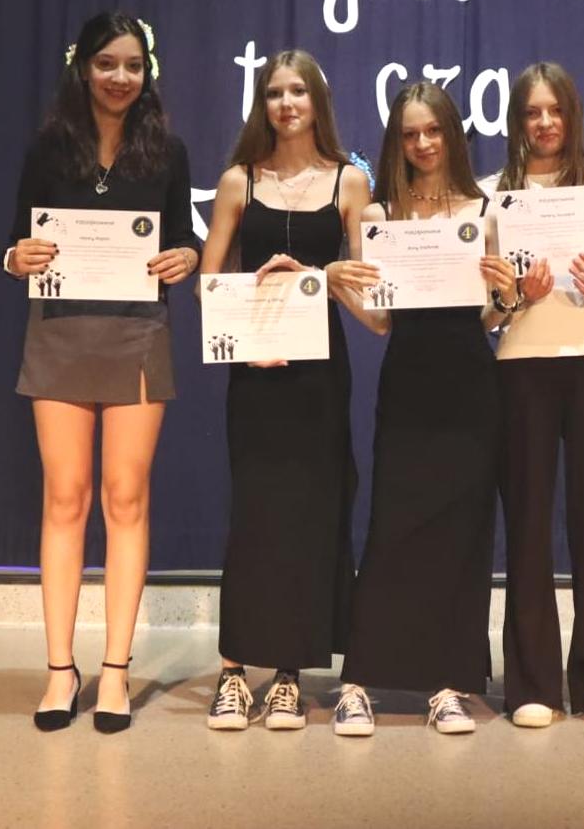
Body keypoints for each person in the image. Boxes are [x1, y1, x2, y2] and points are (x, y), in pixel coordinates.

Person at [3, 11, 199, 733]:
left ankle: (115, 669)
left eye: (133, 65)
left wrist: (185, 256)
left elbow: (182, 238)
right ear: (82, 67)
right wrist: (14, 258)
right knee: (65, 498)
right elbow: (16, 241)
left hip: (137, 332)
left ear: (148, 73)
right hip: (59, 330)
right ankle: (61, 669)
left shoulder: (167, 151)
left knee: (125, 497)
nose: (121, 77)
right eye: (107, 63)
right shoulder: (48, 146)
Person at [330, 82, 516, 737]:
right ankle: (358, 682)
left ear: (450, 133)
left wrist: (508, 296)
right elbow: (381, 321)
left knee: (462, 535)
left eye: (432, 130)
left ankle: (447, 684)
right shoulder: (379, 215)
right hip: (408, 380)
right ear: (397, 142)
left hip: (470, 385)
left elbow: (490, 316)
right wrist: (336, 283)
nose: (423, 143)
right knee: (392, 527)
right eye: (410, 133)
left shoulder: (483, 210)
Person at [199, 50, 374, 731]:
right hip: (255, 368)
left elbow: (367, 289)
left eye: (298, 91)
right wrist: (252, 302)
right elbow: (207, 284)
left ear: (317, 101)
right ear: (262, 103)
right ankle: (233, 671)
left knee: (309, 515)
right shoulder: (237, 181)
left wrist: (322, 277)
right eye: (275, 92)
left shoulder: (350, 181)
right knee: (254, 516)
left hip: (318, 375)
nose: (286, 103)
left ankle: (288, 677)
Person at [482, 62, 584, 729]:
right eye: (531, 112)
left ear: (572, 115)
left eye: (555, 110)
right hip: (523, 367)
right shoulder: (491, 195)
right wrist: (516, 296)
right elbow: (486, 312)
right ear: (516, 121)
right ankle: (533, 683)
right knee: (526, 525)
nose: (544, 122)